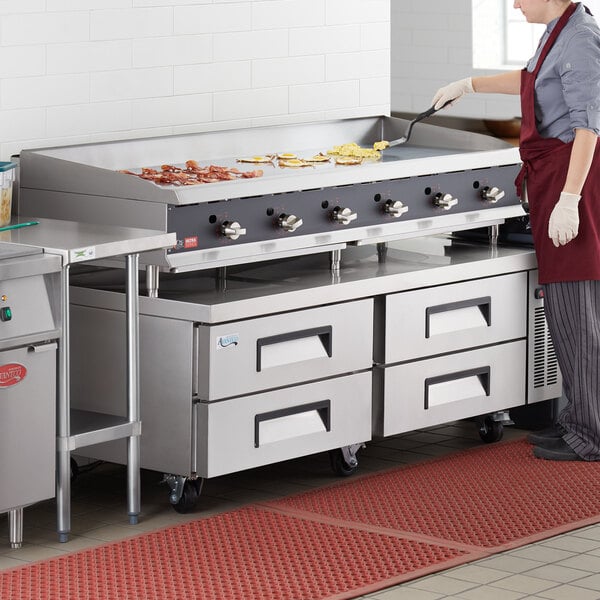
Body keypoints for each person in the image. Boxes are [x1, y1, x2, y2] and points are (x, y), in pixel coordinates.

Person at [432, 0, 600, 461]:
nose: (514, 3)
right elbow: (531, 81)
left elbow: (589, 127)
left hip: (574, 179)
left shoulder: (582, 38)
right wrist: (467, 85)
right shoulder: (558, 32)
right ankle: (578, 423)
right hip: (555, 174)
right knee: (567, 310)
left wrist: (569, 200)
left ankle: (592, 436)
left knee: (576, 305)